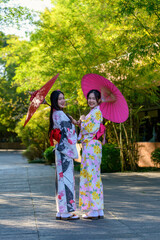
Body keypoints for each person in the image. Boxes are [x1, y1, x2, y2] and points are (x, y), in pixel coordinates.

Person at [49, 90, 79, 220]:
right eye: (59, 99)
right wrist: (73, 123)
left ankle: (60, 211)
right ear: (55, 101)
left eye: (63, 98)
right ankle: (66, 211)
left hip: (60, 150)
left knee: (60, 180)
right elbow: (70, 133)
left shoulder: (55, 113)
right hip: (65, 151)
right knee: (67, 180)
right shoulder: (60, 114)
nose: (62, 101)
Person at [78, 89, 107, 220]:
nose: (90, 100)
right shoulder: (95, 112)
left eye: (93, 98)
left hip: (91, 147)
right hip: (93, 147)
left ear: (98, 100)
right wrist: (82, 121)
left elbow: (89, 129)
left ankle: (94, 210)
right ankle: (98, 209)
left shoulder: (96, 112)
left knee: (91, 176)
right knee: (95, 176)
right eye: (89, 98)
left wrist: (82, 120)